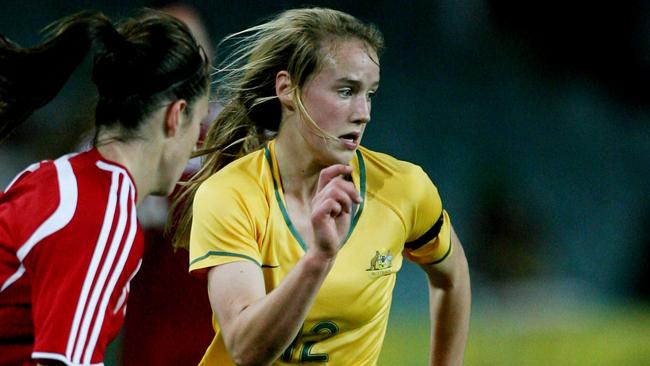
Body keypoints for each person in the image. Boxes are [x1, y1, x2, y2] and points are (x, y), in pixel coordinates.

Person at [171, 7, 470, 366]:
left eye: (370, 94)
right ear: (287, 88)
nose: (364, 113)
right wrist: (319, 258)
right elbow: (245, 349)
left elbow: (452, 277)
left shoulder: (402, 189)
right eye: (346, 91)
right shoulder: (230, 194)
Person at [0, 9, 210, 365]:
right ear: (175, 117)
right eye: (198, 123)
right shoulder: (104, 215)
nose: (196, 145)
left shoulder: (50, 175)